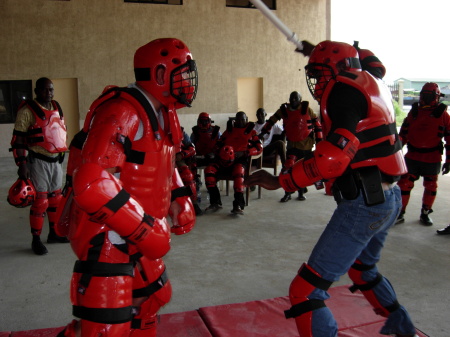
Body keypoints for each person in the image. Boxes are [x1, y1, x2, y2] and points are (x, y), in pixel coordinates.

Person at [245, 40, 418, 337]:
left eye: (321, 72)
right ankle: (404, 328)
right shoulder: (373, 76)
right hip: (389, 199)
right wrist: (318, 50)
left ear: (339, 69)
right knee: (363, 269)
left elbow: (332, 158)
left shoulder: (343, 93)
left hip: (365, 205)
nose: (317, 81)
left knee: (305, 291)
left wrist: (280, 181)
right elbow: (370, 59)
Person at [56, 38, 197, 337]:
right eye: (182, 73)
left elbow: (159, 163)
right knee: (105, 328)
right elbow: (92, 182)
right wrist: (146, 229)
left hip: (139, 232)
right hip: (109, 236)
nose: (187, 81)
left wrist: (179, 196)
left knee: (150, 301)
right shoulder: (123, 110)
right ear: (160, 75)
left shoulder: (164, 112)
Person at [10, 77, 69, 255]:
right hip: (38, 161)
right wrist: (21, 164)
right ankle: (36, 239)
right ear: (36, 91)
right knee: (40, 202)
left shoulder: (57, 107)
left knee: (56, 200)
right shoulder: (28, 111)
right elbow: (18, 139)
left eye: (51, 90)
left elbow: (59, 132)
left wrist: (60, 155)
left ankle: (54, 233)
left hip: (55, 161)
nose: (49, 93)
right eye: (44, 90)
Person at [395, 82, 450, 226]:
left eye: (428, 95)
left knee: (431, 185)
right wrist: (396, 152)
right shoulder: (414, 112)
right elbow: (403, 134)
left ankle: (425, 212)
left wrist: (448, 160)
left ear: (436, 97)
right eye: (424, 95)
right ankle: (400, 212)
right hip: (413, 156)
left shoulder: (443, 115)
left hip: (432, 157)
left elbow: (449, 139)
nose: (425, 98)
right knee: (404, 184)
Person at [260, 91, 323, 202]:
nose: (293, 100)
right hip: (292, 145)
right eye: (291, 98)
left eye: (295, 98)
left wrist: (319, 142)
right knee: (287, 168)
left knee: (302, 170)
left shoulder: (307, 109)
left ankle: (301, 192)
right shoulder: (284, 110)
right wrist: (262, 133)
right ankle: (287, 192)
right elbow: (271, 121)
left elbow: (317, 124)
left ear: (300, 99)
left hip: (306, 145)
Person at [204, 111, 262, 215]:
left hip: (240, 160)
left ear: (246, 120)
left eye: (242, 119)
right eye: (238, 119)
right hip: (224, 160)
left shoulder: (252, 132)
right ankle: (215, 202)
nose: (240, 121)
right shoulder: (229, 131)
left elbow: (259, 148)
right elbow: (218, 143)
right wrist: (217, 151)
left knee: (239, 171)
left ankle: (238, 205)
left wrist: (246, 152)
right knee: (209, 170)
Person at [190, 112, 221, 200]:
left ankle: (212, 185)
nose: (203, 124)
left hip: (212, 157)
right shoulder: (195, 132)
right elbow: (190, 145)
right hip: (199, 157)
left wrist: (214, 153)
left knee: (212, 169)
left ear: (209, 121)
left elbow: (221, 144)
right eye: (201, 121)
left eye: (205, 121)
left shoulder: (216, 131)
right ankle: (196, 182)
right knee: (191, 165)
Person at [176, 127, 203, 215]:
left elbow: (192, 148)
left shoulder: (182, 133)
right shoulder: (157, 130)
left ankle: (194, 204)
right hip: (162, 160)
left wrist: (182, 154)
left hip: (178, 159)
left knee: (188, 175)